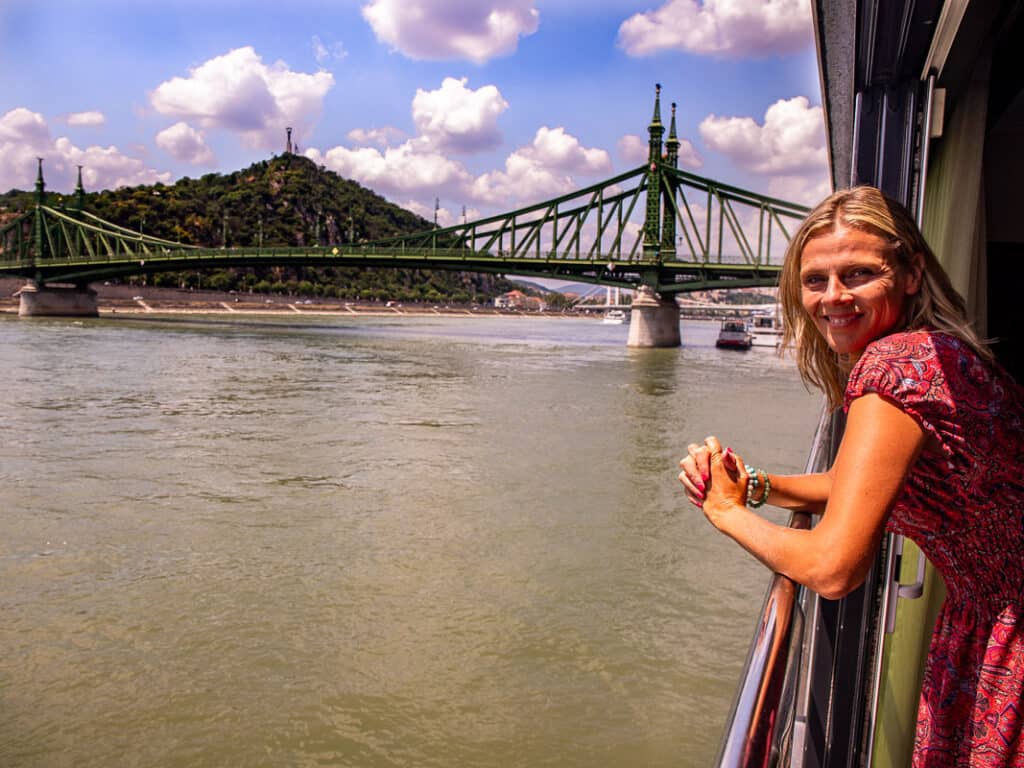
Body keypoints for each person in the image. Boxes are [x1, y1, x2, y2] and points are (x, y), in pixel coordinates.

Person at [677, 186, 1023, 765]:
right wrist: (755, 484)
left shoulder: (893, 368)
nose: (833, 297)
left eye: (858, 274)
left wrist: (725, 511)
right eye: (815, 280)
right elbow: (852, 485)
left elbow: (834, 569)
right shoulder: (934, 354)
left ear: (911, 274)